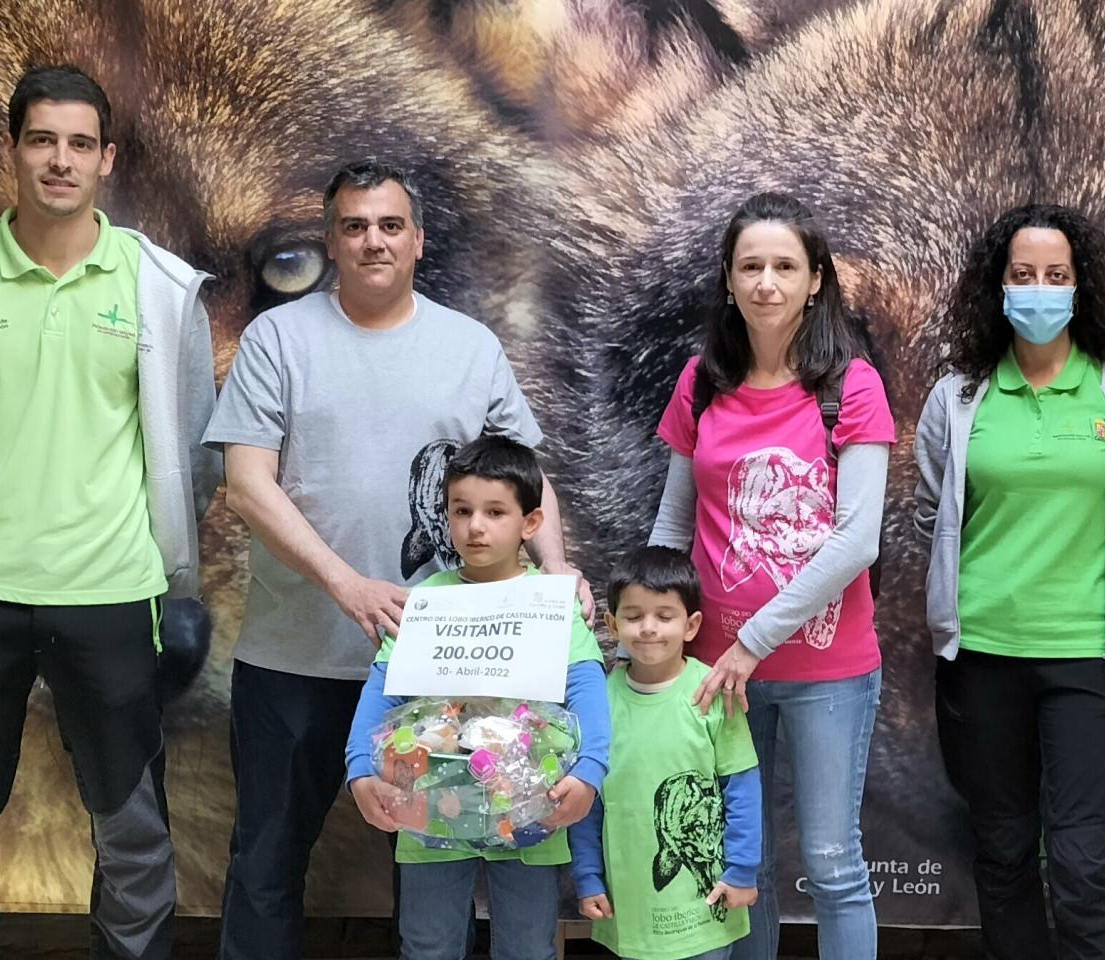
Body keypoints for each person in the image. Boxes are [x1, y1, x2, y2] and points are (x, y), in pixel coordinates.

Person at [204, 162, 590, 959]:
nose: (372, 240)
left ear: (417, 241)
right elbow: (247, 484)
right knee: (268, 862)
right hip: (294, 657)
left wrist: (556, 569)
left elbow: (527, 475)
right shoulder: (278, 338)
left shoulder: (469, 345)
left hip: (441, 676)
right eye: (354, 226)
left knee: (431, 882)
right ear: (331, 242)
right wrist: (347, 585)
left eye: (389, 225)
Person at [0, 64, 219, 959]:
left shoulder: (161, 287)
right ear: (14, 149)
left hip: (113, 591)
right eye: (43, 140)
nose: (61, 161)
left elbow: (191, 449)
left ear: (107, 158)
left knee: (131, 828)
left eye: (80, 143)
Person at [911, 203, 1105, 959]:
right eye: (1022, 275)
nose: (1038, 290)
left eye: (1056, 276)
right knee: (1003, 852)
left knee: (1086, 864)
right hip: (981, 656)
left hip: (1093, 660)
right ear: (996, 288)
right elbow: (935, 516)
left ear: (1080, 288)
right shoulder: (957, 399)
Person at [648, 191, 893, 960]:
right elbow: (672, 525)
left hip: (827, 668)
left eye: (785, 266)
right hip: (717, 673)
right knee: (741, 862)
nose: (767, 283)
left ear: (815, 279)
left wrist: (752, 639)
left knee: (831, 863)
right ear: (728, 279)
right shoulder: (701, 381)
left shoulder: (852, 387)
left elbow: (856, 542)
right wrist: (649, 629)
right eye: (750, 266)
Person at [344, 435, 610, 960]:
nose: (475, 526)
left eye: (495, 511)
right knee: (427, 945)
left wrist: (590, 773)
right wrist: (358, 770)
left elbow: (588, 689)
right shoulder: (420, 603)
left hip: (534, 806)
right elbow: (380, 690)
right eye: (461, 511)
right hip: (429, 806)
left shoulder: (553, 603)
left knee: (530, 947)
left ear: (530, 523)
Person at [572, 546, 763, 960]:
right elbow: (589, 804)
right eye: (634, 615)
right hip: (632, 907)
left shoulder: (712, 695)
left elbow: (742, 790)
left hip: (709, 903)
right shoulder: (598, 703)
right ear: (611, 624)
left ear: (691, 624)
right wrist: (588, 878)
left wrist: (742, 872)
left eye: (664, 615)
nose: (648, 629)